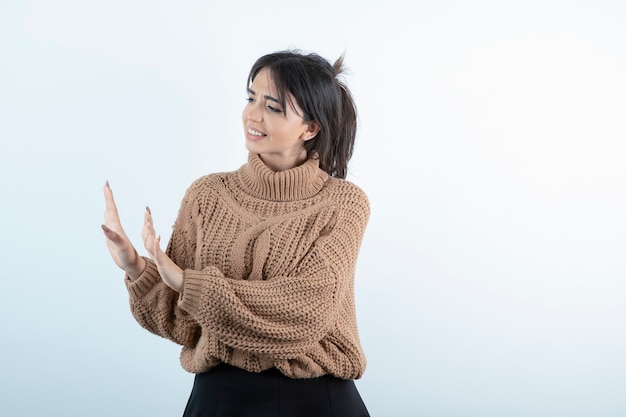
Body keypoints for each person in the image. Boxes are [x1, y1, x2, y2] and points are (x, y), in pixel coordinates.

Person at [102, 50, 371, 417]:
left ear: (310, 128)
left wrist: (188, 282)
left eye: (273, 107)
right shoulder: (207, 196)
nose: (253, 114)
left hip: (315, 400)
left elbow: (307, 311)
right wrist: (135, 266)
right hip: (218, 399)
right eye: (251, 98)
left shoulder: (343, 204)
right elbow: (184, 323)